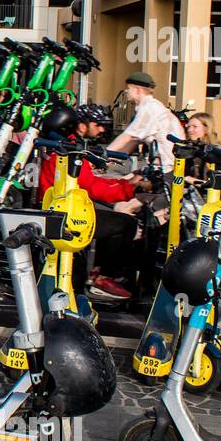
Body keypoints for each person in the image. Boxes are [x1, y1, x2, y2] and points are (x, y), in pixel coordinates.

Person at [40, 104, 150, 302]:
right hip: (68, 213)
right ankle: (102, 277)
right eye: (97, 125)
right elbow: (93, 187)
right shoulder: (70, 149)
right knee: (126, 224)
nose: (101, 130)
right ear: (80, 126)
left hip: (61, 207)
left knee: (109, 216)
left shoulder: (58, 144)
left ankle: (96, 275)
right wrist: (130, 187)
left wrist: (124, 183)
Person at [108, 71, 185, 175]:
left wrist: (101, 155)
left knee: (126, 187)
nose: (126, 92)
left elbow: (128, 137)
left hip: (167, 170)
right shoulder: (151, 106)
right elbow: (133, 142)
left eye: (129, 88)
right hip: (162, 168)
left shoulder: (149, 108)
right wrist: (109, 160)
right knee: (124, 182)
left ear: (137, 90)